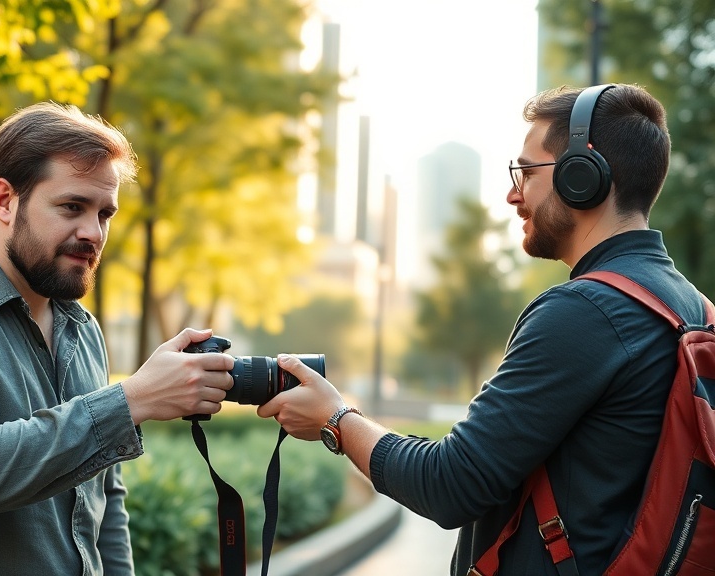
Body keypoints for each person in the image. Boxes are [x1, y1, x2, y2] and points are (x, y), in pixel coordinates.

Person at [258, 83, 710, 574]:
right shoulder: (691, 307)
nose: (513, 194)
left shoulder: (586, 311)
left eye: (525, 171)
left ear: (584, 174)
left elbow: (451, 484)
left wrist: (336, 420)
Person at [0, 102, 234, 575]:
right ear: (5, 201)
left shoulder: (84, 330)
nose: (93, 232)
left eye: (105, 213)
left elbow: (105, 508)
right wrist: (131, 400)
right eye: (73, 206)